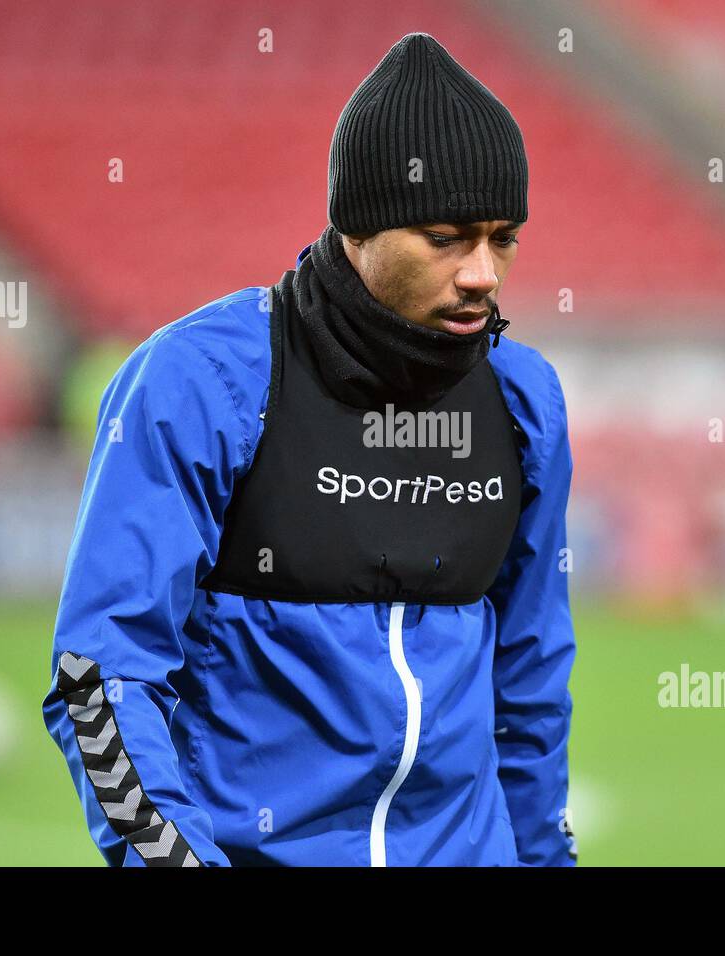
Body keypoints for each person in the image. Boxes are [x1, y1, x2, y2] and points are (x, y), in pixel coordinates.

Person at [42, 31, 577, 867]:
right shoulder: (201, 381)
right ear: (359, 227)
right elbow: (102, 676)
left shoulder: (524, 400)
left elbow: (532, 687)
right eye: (447, 237)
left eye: (503, 238)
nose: (483, 273)